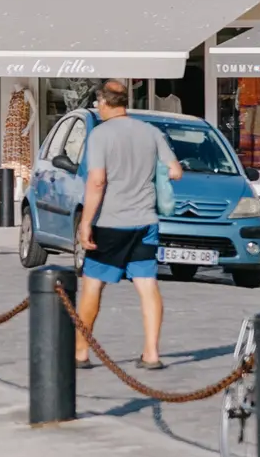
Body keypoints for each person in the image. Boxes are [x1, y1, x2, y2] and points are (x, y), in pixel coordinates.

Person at [76, 78, 182, 370]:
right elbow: (175, 171)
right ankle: (151, 353)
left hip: (111, 222)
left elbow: (97, 181)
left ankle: (81, 352)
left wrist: (86, 223)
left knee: (93, 286)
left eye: (98, 102)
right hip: (146, 221)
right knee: (148, 286)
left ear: (104, 102)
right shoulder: (150, 132)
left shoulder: (100, 135)